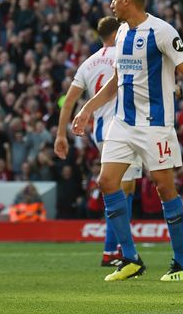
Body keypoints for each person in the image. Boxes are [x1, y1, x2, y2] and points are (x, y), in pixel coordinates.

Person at [72, 0, 183, 282]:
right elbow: (117, 80)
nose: (111, 4)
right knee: (106, 182)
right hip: (123, 123)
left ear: (128, 0)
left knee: (164, 186)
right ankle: (130, 258)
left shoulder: (161, 31)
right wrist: (87, 108)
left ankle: (179, 265)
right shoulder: (119, 33)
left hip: (155, 126)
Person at [54, 16, 144, 267]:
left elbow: (68, 101)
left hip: (101, 131)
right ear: (117, 33)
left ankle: (113, 250)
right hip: (124, 130)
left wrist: (61, 134)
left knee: (116, 188)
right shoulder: (125, 54)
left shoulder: (89, 62)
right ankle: (118, 251)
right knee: (123, 191)